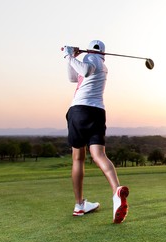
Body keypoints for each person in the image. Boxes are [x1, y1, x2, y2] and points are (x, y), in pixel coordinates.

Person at [62, 40, 129, 224]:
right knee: (99, 155)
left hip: (79, 111)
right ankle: (116, 193)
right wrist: (71, 59)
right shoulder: (99, 63)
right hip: (97, 112)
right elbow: (73, 77)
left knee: (78, 158)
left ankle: (79, 205)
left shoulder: (92, 59)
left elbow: (84, 71)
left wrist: (68, 55)